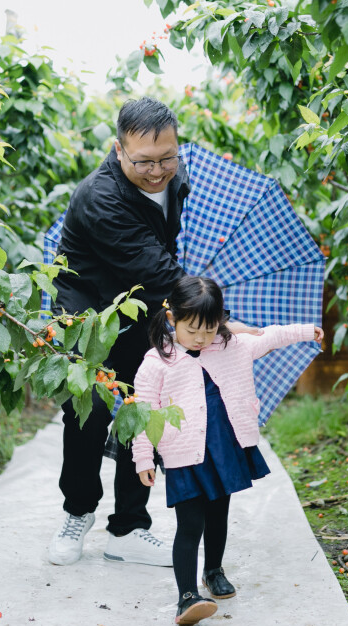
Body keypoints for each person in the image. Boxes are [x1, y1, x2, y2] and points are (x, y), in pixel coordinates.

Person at [48, 97, 259, 567]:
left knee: (145, 410)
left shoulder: (173, 177)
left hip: (142, 307)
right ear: (118, 150)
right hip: (90, 315)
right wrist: (216, 319)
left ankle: (127, 527)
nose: (158, 170)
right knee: (88, 413)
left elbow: (158, 257)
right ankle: (77, 511)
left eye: (168, 157)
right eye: (144, 161)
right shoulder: (100, 198)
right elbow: (159, 268)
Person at [131, 276, 323, 626]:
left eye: (209, 329)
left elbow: (270, 336)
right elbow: (143, 413)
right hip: (185, 454)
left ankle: (214, 570)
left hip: (223, 446)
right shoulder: (157, 362)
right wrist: (143, 457)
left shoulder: (233, 345)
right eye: (193, 330)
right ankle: (186, 596)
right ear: (173, 319)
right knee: (190, 524)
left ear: (221, 320)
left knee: (219, 514)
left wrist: (306, 331)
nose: (202, 338)